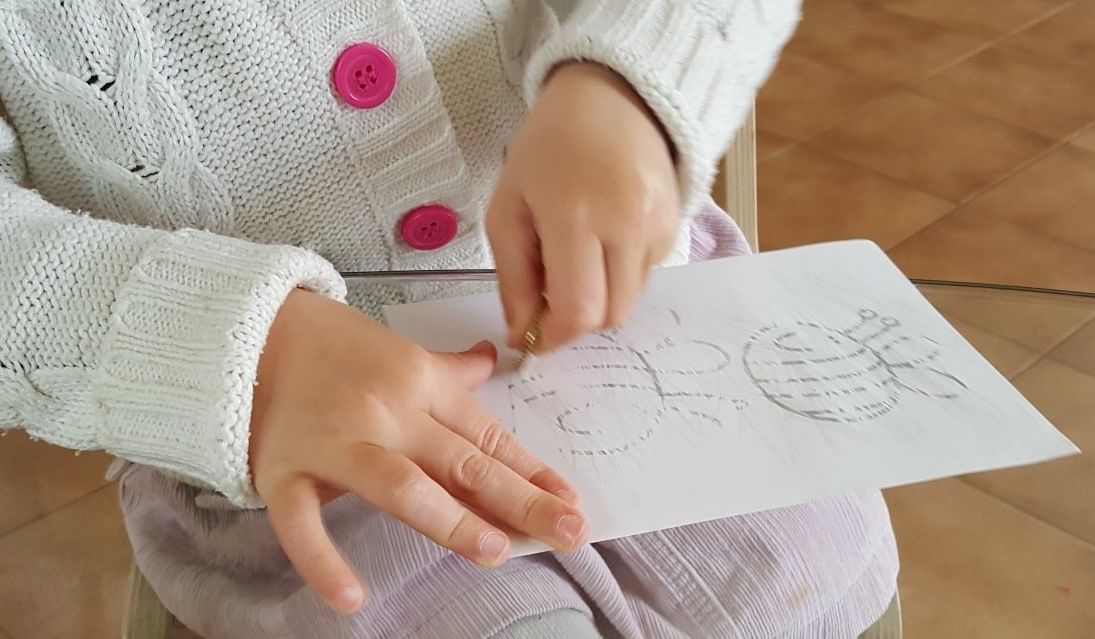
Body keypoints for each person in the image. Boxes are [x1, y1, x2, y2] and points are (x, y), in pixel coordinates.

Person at [0, 1, 897, 637]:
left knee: (809, 566)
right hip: (276, 443)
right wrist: (246, 352)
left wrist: (628, 84)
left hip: (637, 325)